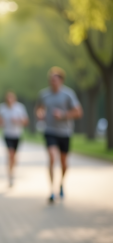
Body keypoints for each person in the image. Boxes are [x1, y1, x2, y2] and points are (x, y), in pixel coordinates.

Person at [35, 66, 83, 203]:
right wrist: (40, 114)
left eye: (55, 80)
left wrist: (63, 115)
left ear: (61, 80)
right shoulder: (43, 94)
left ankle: (61, 183)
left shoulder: (68, 94)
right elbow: (38, 108)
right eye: (51, 80)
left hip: (65, 132)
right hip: (50, 131)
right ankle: (51, 190)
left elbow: (78, 112)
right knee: (51, 156)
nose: (53, 82)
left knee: (64, 163)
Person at [0, 91, 29, 187]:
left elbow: (26, 121)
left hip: (17, 135)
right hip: (7, 135)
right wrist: (0, 122)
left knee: (14, 156)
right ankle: (10, 176)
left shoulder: (20, 108)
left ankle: (12, 170)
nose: (9, 100)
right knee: (10, 154)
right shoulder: (1, 108)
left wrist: (18, 120)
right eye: (7, 98)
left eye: (11, 98)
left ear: (14, 99)